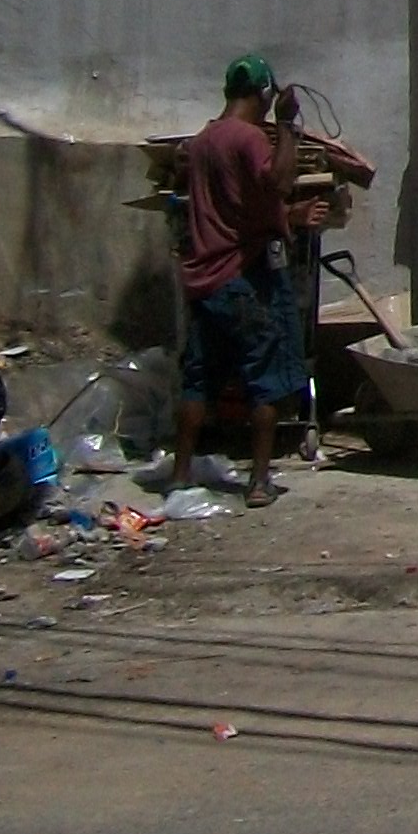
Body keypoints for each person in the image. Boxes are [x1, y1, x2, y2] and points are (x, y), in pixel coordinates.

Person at [164, 55, 307, 506]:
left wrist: (287, 218)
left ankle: (180, 475)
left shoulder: (202, 141)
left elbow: (237, 204)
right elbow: (278, 182)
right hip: (245, 276)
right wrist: (287, 126)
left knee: (198, 379)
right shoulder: (249, 138)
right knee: (266, 375)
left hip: (204, 278)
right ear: (264, 94)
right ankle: (259, 481)